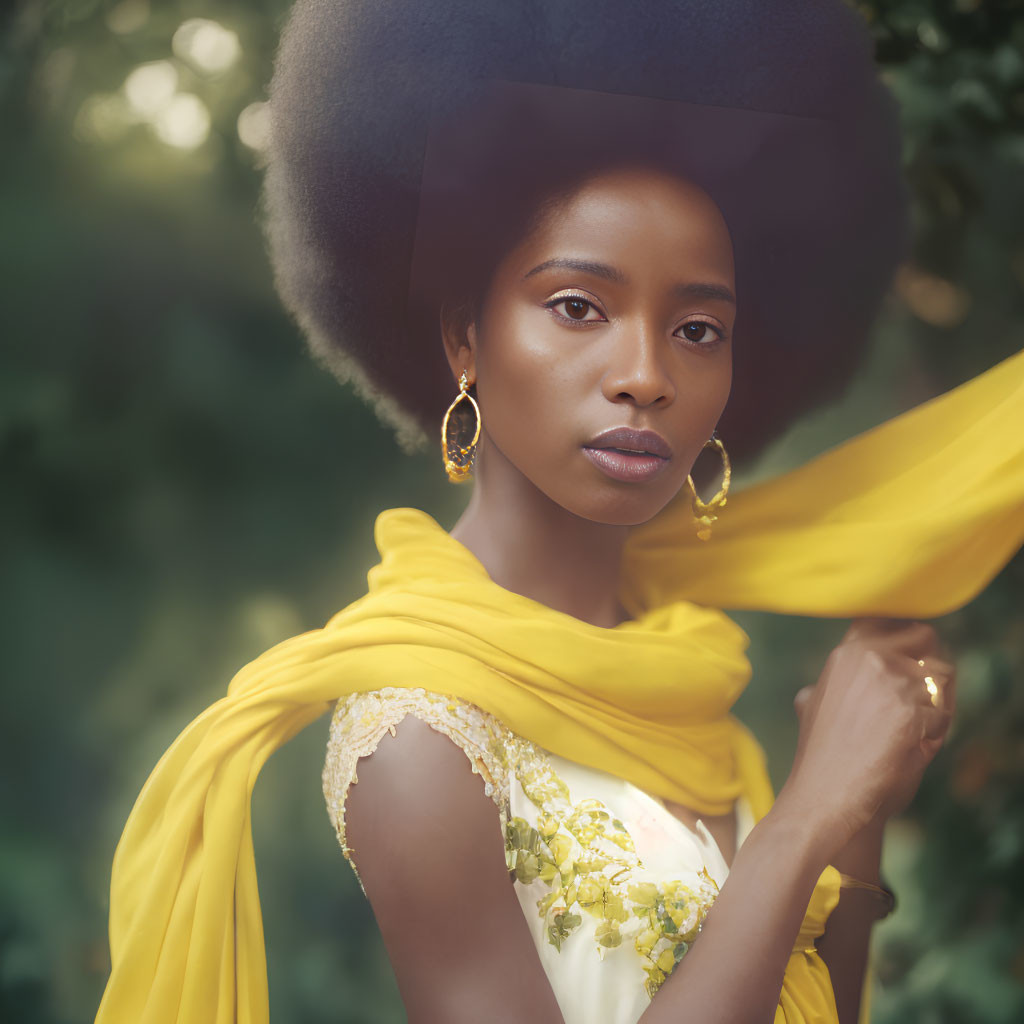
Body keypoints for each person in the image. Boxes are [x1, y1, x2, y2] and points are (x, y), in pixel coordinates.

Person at [94, 2, 1024, 1023]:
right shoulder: (418, 739)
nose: (644, 375)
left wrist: (854, 817)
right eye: (578, 306)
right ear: (463, 340)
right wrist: (807, 815)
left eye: (698, 327)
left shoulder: (678, 667)